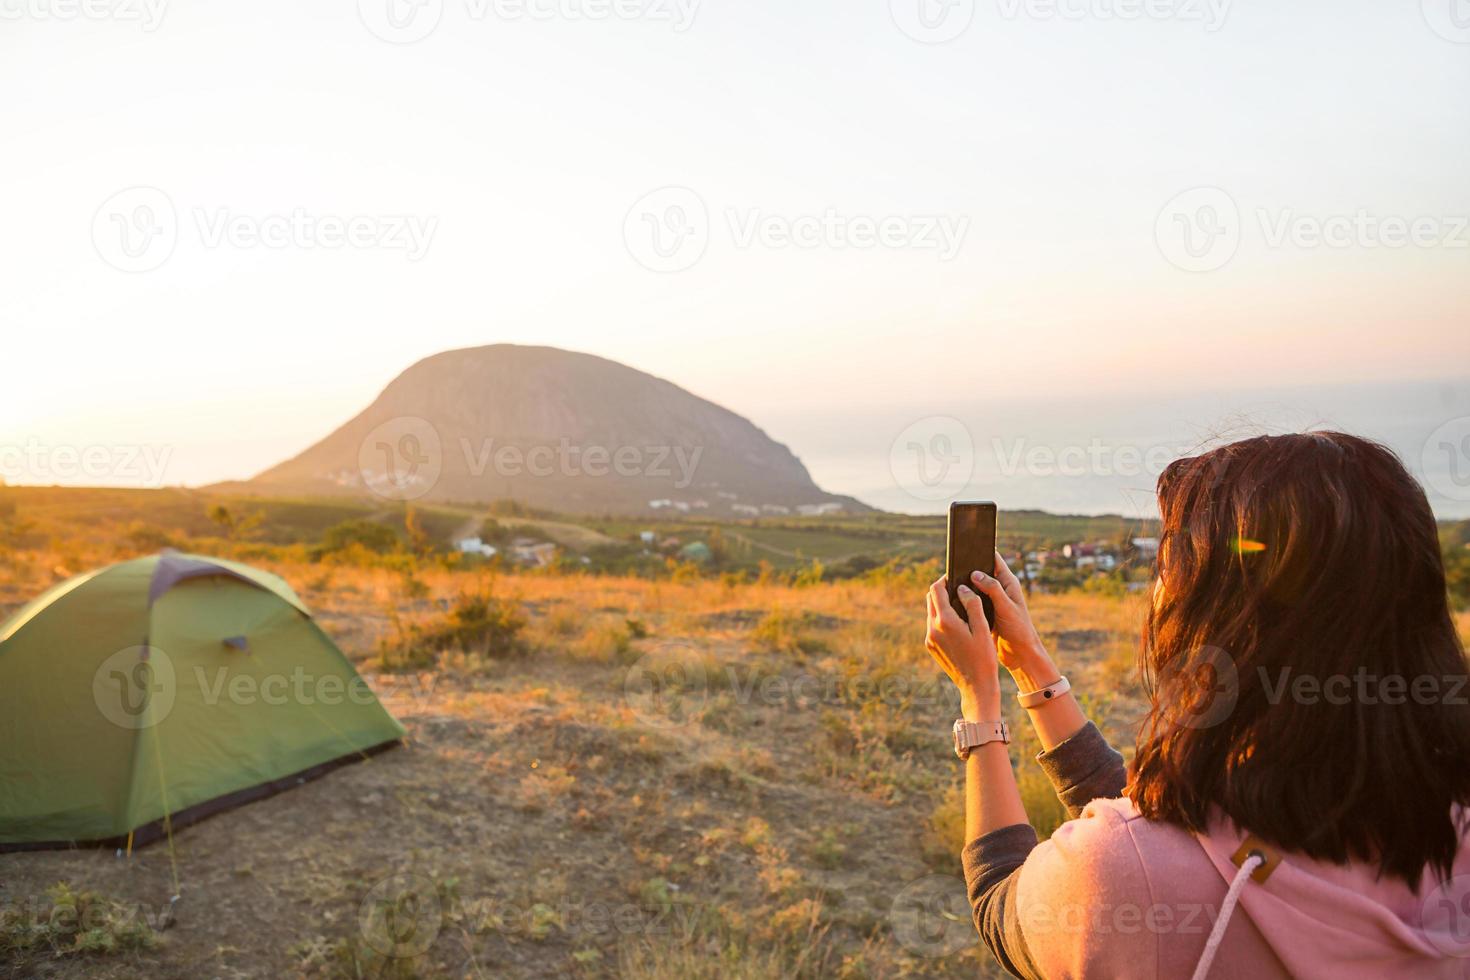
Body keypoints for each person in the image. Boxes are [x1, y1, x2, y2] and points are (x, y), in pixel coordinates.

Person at [924, 432, 1470, 978]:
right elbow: (1181, 834)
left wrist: (980, 702)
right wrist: (1030, 666)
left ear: (1224, 620)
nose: (1157, 590)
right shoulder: (1444, 822)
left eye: (1168, 565)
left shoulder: (1126, 881)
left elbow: (1002, 898)